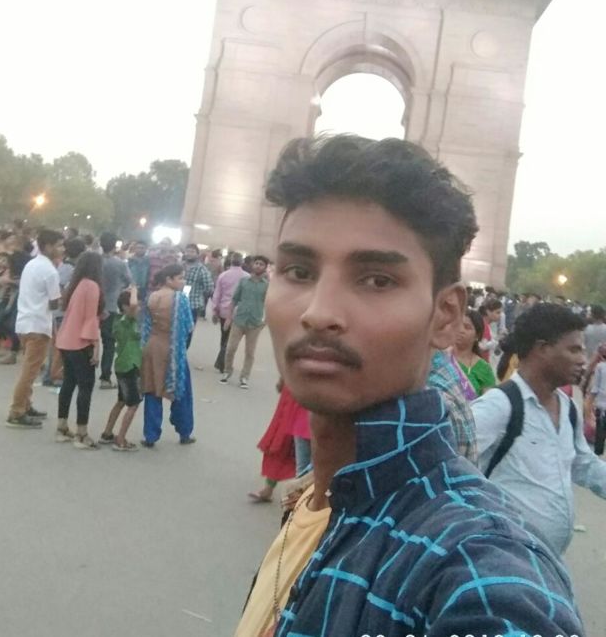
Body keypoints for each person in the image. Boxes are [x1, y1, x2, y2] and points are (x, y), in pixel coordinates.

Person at [234, 134, 581, 637]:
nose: (318, 312)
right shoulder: (316, 496)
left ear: (447, 315)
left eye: (376, 279)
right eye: (298, 271)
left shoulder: (475, 566)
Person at [473, 303, 606, 558]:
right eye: (574, 349)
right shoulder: (499, 406)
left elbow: (584, 464)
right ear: (542, 349)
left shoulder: (567, 407)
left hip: (548, 559)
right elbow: (448, 467)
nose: (583, 359)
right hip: (505, 557)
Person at [6, 229, 64, 429]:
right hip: (38, 325)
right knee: (30, 371)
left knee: (30, 368)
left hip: (24, 322)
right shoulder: (50, 271)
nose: (62, 249)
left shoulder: (31, 264)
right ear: (48, 246)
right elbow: (54, 303)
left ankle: (26, 404)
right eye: (59, 245)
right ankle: (17, 411)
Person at [140, 264, 195, 447]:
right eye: (180, 278)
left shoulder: (152, 297)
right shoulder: (180, 299)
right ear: (169, 279)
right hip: (173, 348)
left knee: (152, 390)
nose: (183, 281)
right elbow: (188, 327)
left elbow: (146, 326)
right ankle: (184, 432)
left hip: (153, 346)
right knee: (181, 392)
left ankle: (150, 436)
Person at [55, 251, 103, 448]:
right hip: (81, 342)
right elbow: (90, 318)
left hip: (66, 339)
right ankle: (81, 434)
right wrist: (95, 346)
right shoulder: (92, 286)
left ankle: (61, 427)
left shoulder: (75, 285)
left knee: (68, 384)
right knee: (86, 386)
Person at [98, 286, 142, 451]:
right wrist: (134, 290)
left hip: (122, 365)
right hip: (130, 365)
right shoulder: (127, 320)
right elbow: (133, 305)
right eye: (135, 306)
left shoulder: (117, 320)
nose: (138, 308)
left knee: (122, 401)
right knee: (133, 403)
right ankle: (121, 439)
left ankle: (107, 433)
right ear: (125, 307)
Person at [42, 236, 86, 386]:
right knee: (60, 346)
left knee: (56, 345)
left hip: (59, 311)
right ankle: (54, 375)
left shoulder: (64, 267)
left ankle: (50, 374)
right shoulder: (69, 269)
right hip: (62, 311)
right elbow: (61, 289)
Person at [221, 255, 269, 389]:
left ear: (265, 268)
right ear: (252, 265)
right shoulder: (243, 281)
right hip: (239, 320)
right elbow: (234, 299)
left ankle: (244, 377)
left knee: (250, 352)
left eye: (261, 264)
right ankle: (227, 371)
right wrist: (228, 318)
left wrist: (265, 321)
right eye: (256, 263)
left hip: (255, 323)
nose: (258, 266)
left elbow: (269, 304)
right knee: (231, 348)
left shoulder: (266, 286)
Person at [248, 379, 297, 504]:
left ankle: (305, 496)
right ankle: (269, 488)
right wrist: (283, 378)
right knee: (281, 440)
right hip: (295, 391)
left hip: (316, 396)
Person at [99, 231, 132, 389]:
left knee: (88, 341)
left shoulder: (94, 261)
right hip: (111, 305)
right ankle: (105, 377)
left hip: (93, 305)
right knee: (109, 343)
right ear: (115, 246)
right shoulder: (119, 263)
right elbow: (129, 280)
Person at [211, 252, 249, 372]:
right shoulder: (247, 277)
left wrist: (215, 310)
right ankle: (223, 362)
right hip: (240, 311)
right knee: (232, 339)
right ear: (242, 262)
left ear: (230, 261)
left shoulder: (223, 275)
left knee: (224, 336)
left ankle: (222, 361)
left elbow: (217, 294)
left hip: (224, 310)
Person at [453, 308, 496, 396]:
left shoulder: (484, 369)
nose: (461, 330)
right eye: (458, 325)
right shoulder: (440, 356)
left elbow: (487, 401)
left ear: (477, 336)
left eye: (467, 327)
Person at [183, 243, 214, 341]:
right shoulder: (180, 266)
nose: (189, 253)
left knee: (188, 331)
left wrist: (199, 294)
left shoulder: (202, 269)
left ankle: (184, 349)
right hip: (177, 303)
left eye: (192, 252)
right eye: (187, 251)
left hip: (192, 304)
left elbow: (209, 288)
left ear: (197, 254)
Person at [588, 344, 606, 455]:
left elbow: (595, 389)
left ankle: (598, 456)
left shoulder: (600, 367)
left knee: (600, 437)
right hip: (601, 407)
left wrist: (588, 405)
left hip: (601, 407)